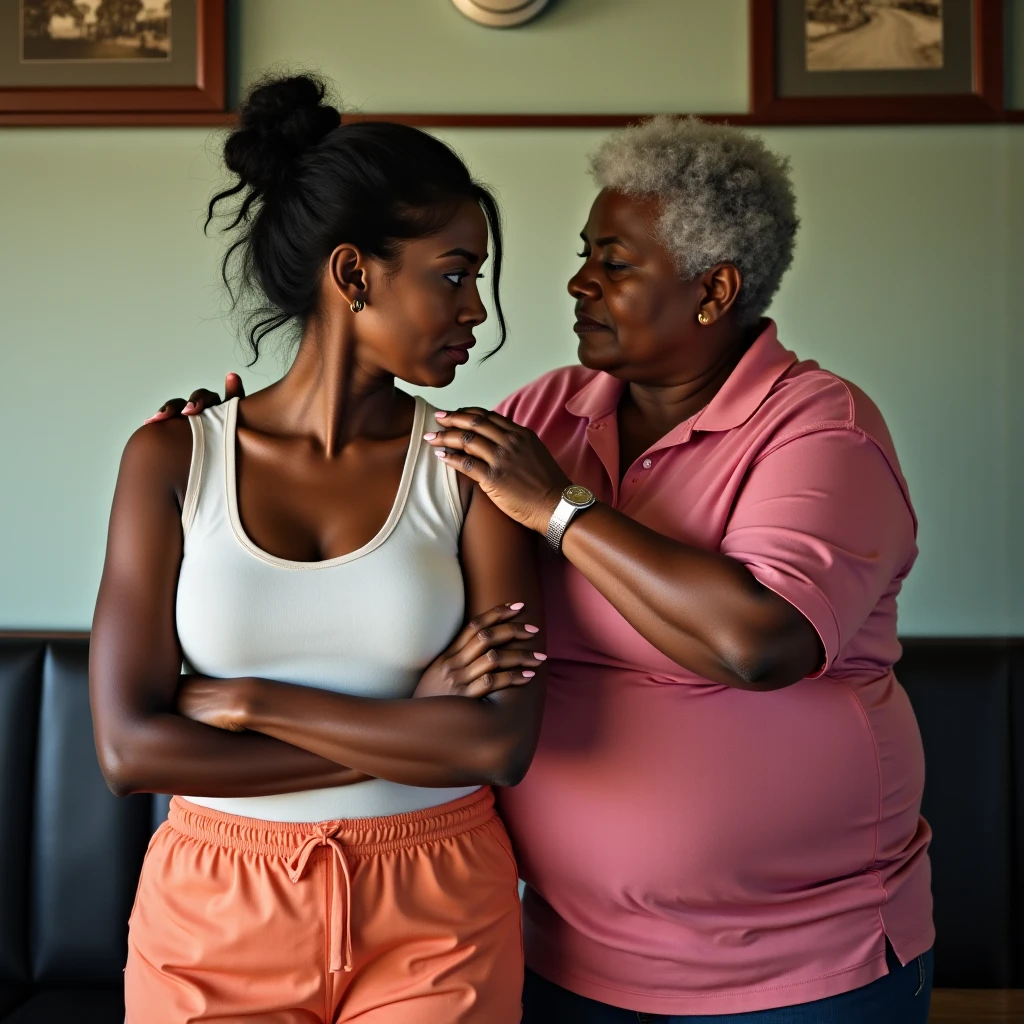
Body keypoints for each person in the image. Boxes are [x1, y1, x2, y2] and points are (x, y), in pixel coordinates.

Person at [154, 115, 934, 1022]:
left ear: (714, 291)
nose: (579, 281)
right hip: (563, 953)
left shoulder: (821, 429)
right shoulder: (546, 413)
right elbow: (394, 586)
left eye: (615, 262)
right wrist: (230, 447)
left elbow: (764, 644)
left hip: (796, 968)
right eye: (584, 253)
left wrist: (560, 510)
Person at [91, 74, 548, 1024]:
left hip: (440, 904)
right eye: (454, 274)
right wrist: (408, 726)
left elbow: (500, 741)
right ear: (353, 274)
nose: (478, 311)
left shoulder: (474, 466)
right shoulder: (173, 455)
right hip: (216, 909)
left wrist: (252, 704)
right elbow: (132, 748)